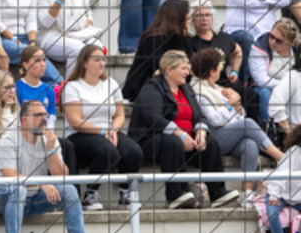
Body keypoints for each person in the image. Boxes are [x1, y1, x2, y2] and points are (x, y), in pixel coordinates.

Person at [0, 100, 100, 233]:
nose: (44, 119)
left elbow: (62, 175)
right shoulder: (9, 140)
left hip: (32, 198)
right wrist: (41, 183)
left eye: (45, 115)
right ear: (24, 119)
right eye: (38, 115)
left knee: (69, 190)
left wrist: (52, 151)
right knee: (18, 190)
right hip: (1, 198)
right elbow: (9, 176)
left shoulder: (49, 139)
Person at [128, 50, 238, 209]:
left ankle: (218, 192)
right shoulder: (152, 87)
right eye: (184, 69)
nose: (188, 72)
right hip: (151, 140)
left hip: (184, 140)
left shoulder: (186, 89)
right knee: (172, 143)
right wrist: (179, 134)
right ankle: (175, 195)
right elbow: (152, 117)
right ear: (169, 70)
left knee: (210, 142)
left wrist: (200, 132)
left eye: (188, 68)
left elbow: (199, 115)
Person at [63, 44, 143, 210]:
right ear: (84, 63)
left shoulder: (110, 83)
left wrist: (113, 130)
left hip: (108, 130)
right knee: (108, 152)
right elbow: (75, 121)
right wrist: (101, 131)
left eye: (103, 60)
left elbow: (120, 114)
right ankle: (90, 195)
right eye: (97, 60)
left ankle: (125, 194)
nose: (102, 63)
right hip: (80, 134)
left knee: (134, 151)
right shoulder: (73, 86)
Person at [192, 48, 283, 177]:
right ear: (212, 72)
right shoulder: (199, 92)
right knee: (248, 123)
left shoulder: (217, 88)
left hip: (227, 133)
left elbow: (241, 115)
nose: (221, 70)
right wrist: (231, 105)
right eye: (219, 68)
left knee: (250, 144)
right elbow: (214, 120)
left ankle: (247, 190)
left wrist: (236, 105)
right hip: (212, 138)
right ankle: (282, 158)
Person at [189, 2, 258, 122]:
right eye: (199, 16)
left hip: (223, 81)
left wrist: (235, 71)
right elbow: (188, 68)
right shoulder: (189, 41)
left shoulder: (221, 37)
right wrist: (214, 86)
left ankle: (253, 128)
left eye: (207, 15)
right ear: (192, 20)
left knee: (251, 95)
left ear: (212, 17)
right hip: (204, 84)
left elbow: (237, 51)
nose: (204, 19)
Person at [122, 0, 194, 103]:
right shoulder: (153, 41)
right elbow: (159, 70)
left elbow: (189, 68)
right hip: (147, 90)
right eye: (187, 18)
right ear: (177, 18)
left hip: (176, 89)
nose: (189, 21)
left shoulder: (186, 41)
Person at [249, 19, 301, 122]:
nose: (273, 42)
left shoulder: (297, 50)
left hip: (291, 85)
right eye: (271, 36)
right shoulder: (259, 47)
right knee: (265, 94)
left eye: (279, 40)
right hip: (263, 86)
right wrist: (285, 86)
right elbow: (261, 79)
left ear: (289, 42)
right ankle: (269, 127)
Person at [264, 126, 301, 233]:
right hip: (283, 194)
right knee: (271, 211)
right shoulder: (294, 152)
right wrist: (274, 195)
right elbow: (281, 177)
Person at [16, 45, 58, 128]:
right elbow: (15, 117)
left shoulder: (49, 90)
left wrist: (47, 133)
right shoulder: (16, 88)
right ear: (26, 65)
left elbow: (51, 116)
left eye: (44, 60)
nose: (42, 64)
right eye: (37, 60)